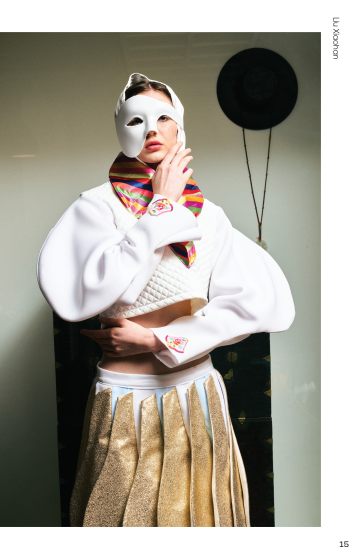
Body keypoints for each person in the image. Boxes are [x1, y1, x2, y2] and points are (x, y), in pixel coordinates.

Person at [37, 73, 295, 527]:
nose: (151, 129)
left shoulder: (209, 216)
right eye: (136, 120)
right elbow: (90, 293)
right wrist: (161, 207)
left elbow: (253, 305)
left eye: (163, 118)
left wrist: (155, 340)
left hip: (197, 392)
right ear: (121, 129)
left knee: (203, 522)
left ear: (180, 129)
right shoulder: (95, 207)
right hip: (125, 399)